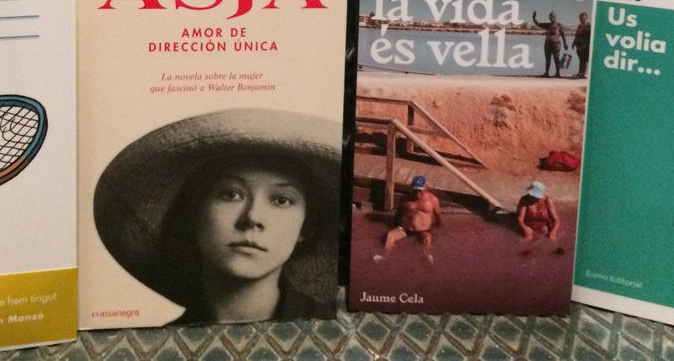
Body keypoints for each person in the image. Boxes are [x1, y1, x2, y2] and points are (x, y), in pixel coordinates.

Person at [93, 108, 341, 325]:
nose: (252, 218)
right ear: (194, 213)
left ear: (306, 227)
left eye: (281, 200)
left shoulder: (333, 333)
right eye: (231, 194)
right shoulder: (161, 348)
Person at [383, 175, 442, 260]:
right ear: (411, 188)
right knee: (390, 236)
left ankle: (427, 258)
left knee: (427, 239)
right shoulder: (405, 198)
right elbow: (398, 214)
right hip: (405, 229)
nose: (418, 194)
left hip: (423, 230)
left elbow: (438, 216)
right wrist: (393, 226)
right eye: (415, 190)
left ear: (426, 187)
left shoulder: (433, 200)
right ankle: (385, 257)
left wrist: (440, 227)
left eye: (420, 191)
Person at [532, 9, 568, 78]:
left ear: (555, 17)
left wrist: (565, 44)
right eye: (550, 16)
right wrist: (534, 18)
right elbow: (538, 24)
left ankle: (557, 73)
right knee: (547, 59)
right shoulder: (547, 25)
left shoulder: (559, 25)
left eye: (553, 16)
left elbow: (563, 35)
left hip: (556, 45)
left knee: (556, 59)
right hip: (547, 44)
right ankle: (546, 73)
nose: (551, 18)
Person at [572, 12, 592, 79]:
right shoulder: (579, 26)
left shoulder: (589, 26)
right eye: (581, 18)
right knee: (581, 60)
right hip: (579, 46)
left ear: (586, 18)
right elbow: (576, 36)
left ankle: (582, 74)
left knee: (585, 60)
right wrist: (573, 44)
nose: (582, 20)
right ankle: (580, 73)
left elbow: (592, 36)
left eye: (583, 18)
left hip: (586, 46)